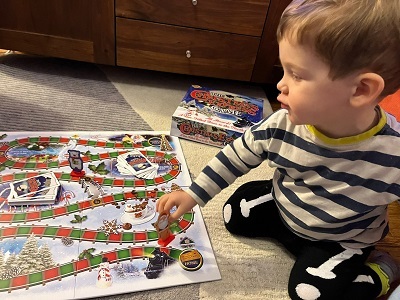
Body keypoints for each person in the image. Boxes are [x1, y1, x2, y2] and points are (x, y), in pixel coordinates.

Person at [157, 0, 400, 299]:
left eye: (296, 75)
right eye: (284, 70)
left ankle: (380, 274)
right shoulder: (283, 123)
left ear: (361, 90)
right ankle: (281, 214)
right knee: (234, 214)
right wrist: (194, 193)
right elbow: (236, 155)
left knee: (308, 293)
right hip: (287, 208)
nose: (280, 85)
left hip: (340, 240)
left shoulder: (393, 154)